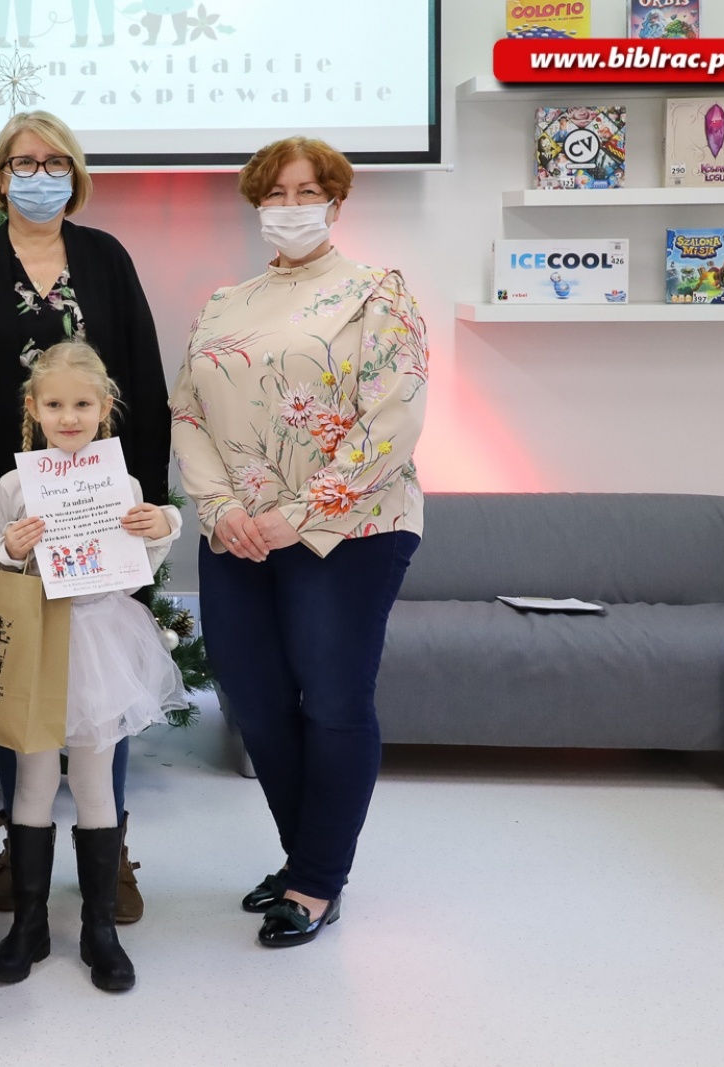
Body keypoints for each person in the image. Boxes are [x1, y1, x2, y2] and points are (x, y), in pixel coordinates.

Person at [170, 137, 428, 948]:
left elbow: (393, 419)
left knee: (335, 700)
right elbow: (189, 414)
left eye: (308, 191)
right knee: (253, 699)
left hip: (347, 531)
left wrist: (303, 513)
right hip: (238, 533)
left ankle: (318, 880)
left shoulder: (374, 293)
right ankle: (300, 860)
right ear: (256, 204)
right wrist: (221, 509)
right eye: (275, 193)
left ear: (336, 202)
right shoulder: (224, 303)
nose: (290, 205)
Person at [0, 110, 170, 924]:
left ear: (73, 174)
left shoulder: (105, 259)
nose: (38, 174)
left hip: (106, 522)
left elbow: (143, 377)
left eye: (54, 161)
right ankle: (22, 837)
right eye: (21, 162)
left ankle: (111, 854)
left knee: (102, 686)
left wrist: (147, 503)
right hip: (7, 518)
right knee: (20, 682)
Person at [0, 342, 187, 992]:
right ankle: (31, 923)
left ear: (104, 408)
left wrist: (159, 529)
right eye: (54, 404)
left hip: (100, 638)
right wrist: (11, 550)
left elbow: (137, 574)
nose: (68, 416)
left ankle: (101, 928)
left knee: (96, 783)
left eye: (81, 403)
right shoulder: (15, 484)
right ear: (33, 408)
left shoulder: (122, 483)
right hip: (41, 638)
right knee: (34, 784)